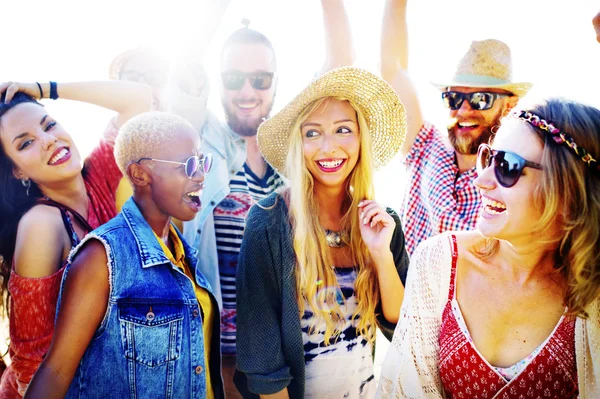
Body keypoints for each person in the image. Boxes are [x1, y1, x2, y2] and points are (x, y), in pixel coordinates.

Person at [377, 98, 600, 398]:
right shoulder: (440, 263)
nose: (481, 180)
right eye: (489, 157)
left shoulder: (591, 295)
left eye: (507, 166)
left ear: (567, 189)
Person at [235, 67, 410, 399]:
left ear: (361, 138)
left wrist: (381, 255)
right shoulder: (268, 223)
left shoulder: (383, 223)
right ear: (297, 143)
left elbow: (401, 326)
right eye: (312, 133)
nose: (328, 148)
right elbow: (263, 363)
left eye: (343, 129)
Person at [24, 112, 224, 398]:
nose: (201, 175)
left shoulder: (183, 255)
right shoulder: (102, 257)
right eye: (189, 165)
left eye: (203, 162)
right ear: (139, 174)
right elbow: (56, 371)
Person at [0, 80, 151, 398]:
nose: (48, 141)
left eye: (49, 125)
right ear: (18, 172)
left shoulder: (100, 174)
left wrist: (45, 88)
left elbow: (139, 99)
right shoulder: (42, 225)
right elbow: (30, 365)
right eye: (25, 144)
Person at [181, 22, 285, 397]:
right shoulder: (197, 141)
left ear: (276, 83)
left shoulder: (291, 160)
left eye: (260, 78)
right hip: (213, 359)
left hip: (280, 356)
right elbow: (181, 63)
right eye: (233, 77)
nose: (246, 91)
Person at [380, 0, 531, 255]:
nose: (463, 110)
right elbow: (393, 71)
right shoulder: (426, 147)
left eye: (480, 99)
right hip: (402, 292)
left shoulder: (513, 179)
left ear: (509, 106)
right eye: (453, 98)